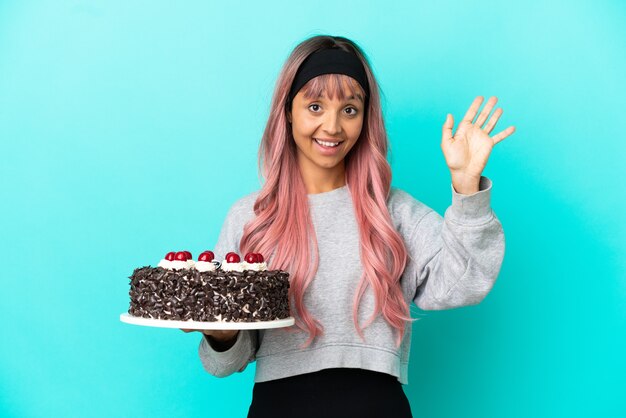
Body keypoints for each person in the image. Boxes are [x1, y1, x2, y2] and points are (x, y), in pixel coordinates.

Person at [182, 34, 515, 417]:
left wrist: (466, 187)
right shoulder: (250, 218)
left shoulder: (394, 212)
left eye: (350, 109)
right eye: (315, 105)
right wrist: (221, 335)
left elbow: (464, 285)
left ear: (365, 118)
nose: (332, 126)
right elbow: (223, 363)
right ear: (288, 111)